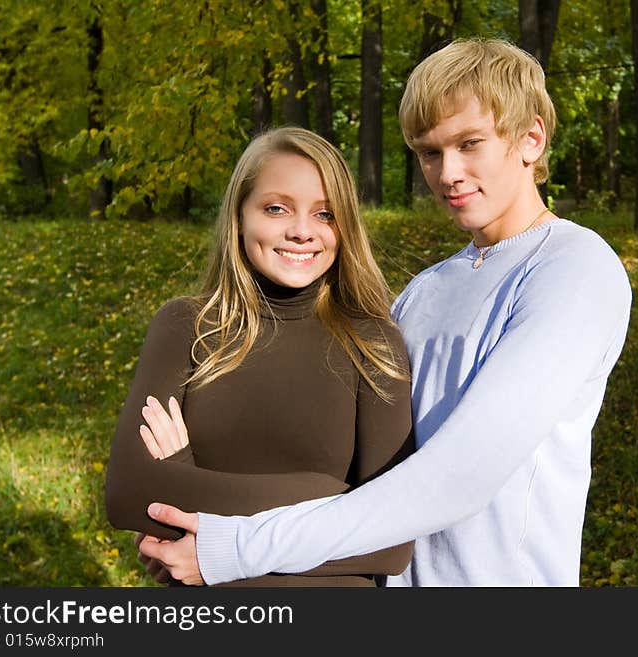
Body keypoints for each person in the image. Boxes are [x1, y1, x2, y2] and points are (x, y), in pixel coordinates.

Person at [138, 37, 632, 587]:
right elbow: (342, 465)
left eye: (470, 144)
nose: (448, 173)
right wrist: (188, 477)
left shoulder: (575, 268)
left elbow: (460, 477)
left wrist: (234, 548)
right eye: (429, 151)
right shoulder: (423, 291)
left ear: (531, 139)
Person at [104, 126, 415, 587]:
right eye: (276, 208)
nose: (302, 231)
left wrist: (195, 504)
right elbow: (130, 493)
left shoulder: (372, 344)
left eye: (325, 214)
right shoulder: (187, 327)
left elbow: (391, 544)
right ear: (240, 217)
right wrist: (328, 498)